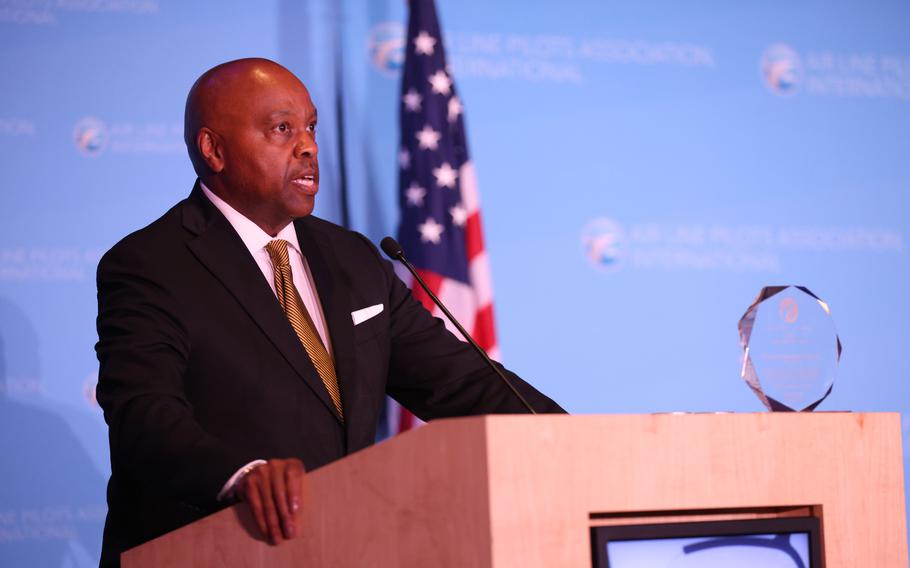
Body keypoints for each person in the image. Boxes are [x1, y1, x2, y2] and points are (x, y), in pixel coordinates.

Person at [94, 58, 564, 567]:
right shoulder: (151, 264)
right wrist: (244, 476)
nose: (308, 146)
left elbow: (459, 381)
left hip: (339, 546)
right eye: (282, 129)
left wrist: (567, 438)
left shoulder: (353, 259)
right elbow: (144, 415)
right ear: (214, 150)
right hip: (210, 548)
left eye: (311, 127)